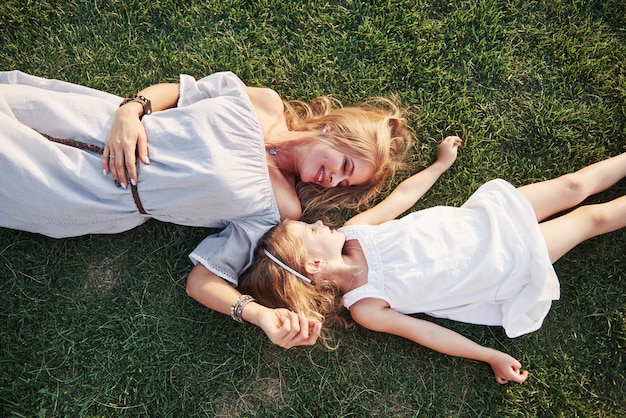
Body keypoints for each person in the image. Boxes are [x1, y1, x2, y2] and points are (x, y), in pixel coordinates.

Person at [0, 70, 413, 348]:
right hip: (95, 120)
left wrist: (258, 316)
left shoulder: (280, 208)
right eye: (344, 166)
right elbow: (178, 92)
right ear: (333, 130)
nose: (334, 181)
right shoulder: (262, 103)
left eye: (345, 183)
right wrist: (132, 109)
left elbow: (203, 280)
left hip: (90, 192)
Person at [240, 136, 626, 383]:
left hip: (486, 219)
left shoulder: (357, 230)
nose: (320, 222)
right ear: (315, 266)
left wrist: (440, 165)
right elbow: (428, 334)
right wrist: (488, 355)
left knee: (574, 185)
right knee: (591, 218)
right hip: (503, 260)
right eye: (311, 231)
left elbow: (402, 199)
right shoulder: (367, 305)